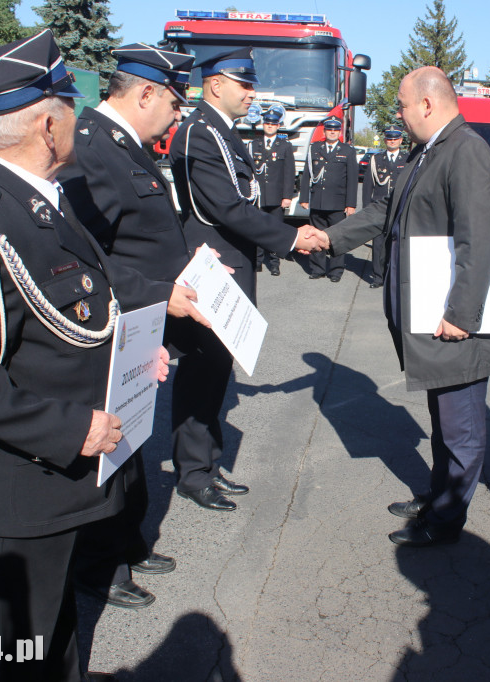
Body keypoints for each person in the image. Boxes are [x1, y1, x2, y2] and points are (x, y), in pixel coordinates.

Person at [0, 31, 197, 681]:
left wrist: (133, 351)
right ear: (46, 123)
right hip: (12, 493)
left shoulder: (42, 201)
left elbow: (81, 309)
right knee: (14, 660)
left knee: (55, 642)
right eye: (70, 105)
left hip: (54, 492)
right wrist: (71, 428)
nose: (78, 118)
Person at [320, 66, 490, 547]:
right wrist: (326, 240)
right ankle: (437, 495)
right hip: (431, 314)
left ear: (427, 105)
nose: (400, 115)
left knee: (461, 427)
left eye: (403, 106)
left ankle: (447, 521)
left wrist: (462, 314)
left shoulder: (466, 151)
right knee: (443, 420)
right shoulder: (428, 151)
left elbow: (480, 238)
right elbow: (382, 211)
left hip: (454, 320)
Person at [59, 43, 201, 610]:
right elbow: (90, 257)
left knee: (132, 434)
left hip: (141, 319)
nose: (175, 114)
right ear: (145, 94)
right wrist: (160, 294)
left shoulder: (123, 145)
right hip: (115, 319)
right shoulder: (94, 149)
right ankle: (100, 565)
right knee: (109, 444)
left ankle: (127, 542)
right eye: (172, 102)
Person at [168, 46, 323, 512]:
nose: (252, 93)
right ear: (216, 83)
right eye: (244, 83)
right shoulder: (200, 132)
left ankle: (209, 465)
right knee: (201, 372)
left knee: (217, 372)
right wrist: (292, 240)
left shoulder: (222, 131)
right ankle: (193, 474)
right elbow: (226, 208)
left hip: (231, 268)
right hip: (213, 271)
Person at [299, 117, 358, 282]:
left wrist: (350, 204)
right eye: (329, 129)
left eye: (335, 129)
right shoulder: (314, 149)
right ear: (324, 131)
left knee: (336, 238)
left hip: (337, 203)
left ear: (339, 132)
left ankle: (336, 270)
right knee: (315, 237)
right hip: (318, 201)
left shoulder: (347, 151)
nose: (332, 132)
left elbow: (352, 180)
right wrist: (304, 198)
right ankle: (317, 269)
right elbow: (307, 175)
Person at [248, 106, 296, 276]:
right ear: (263, 125)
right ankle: (258, 261)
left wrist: (287, 196)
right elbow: (249, 172)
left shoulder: (284, 146)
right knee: (258, 229)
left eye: (273, 124)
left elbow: (289, 173)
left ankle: (274, 263)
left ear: (278, 126)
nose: (269, 126)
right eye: (267, 123)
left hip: (277, 197)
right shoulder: (254, 145)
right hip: (259, 197)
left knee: (275, 230)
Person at [363, 127, 408, 288]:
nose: (392, 141)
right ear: (385, 141)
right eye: (389, 138)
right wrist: (367, 210)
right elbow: (368, 186)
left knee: (397, 243)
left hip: (399, 208)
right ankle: (378, 277)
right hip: (379, 208)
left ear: (401, 140)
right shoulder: (377, 159)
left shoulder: (407, 159)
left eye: (395, 138)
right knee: (378, 243)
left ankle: (393, 277)